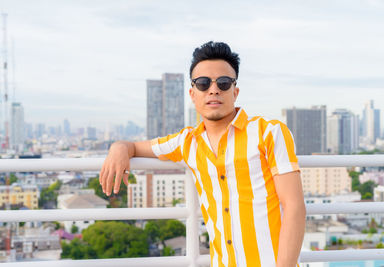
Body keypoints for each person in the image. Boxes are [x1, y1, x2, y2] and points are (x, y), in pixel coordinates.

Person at [99, 41, 305, 267]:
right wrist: (118, 147)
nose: (214, 89)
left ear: (235, 92)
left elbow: (294, 206)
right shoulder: (187, 142)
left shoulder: (269, 133)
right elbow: (134, 147)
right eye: (203, 83)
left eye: (224, 83)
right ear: (192, 93)